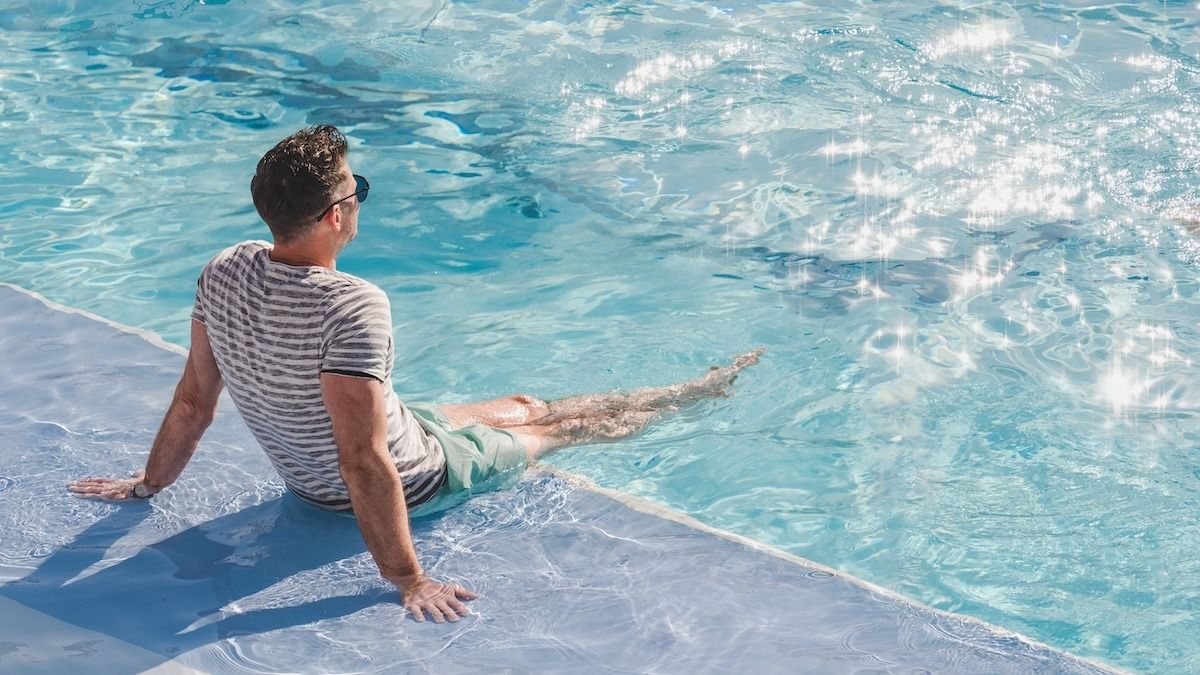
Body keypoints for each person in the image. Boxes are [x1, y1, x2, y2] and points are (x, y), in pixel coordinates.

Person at [67, 125, 761, 624]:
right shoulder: (353, 305)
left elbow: (193, 401)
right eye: (358, 190)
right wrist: (408, 578)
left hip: (386, 433)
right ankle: (695, 394)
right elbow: (362, 458)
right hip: (418, 476)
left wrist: (148, 483)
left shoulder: (224, 268)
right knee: (563, 429)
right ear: (336, 214)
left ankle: (677, 390)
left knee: (523, 402)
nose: (359, 201)